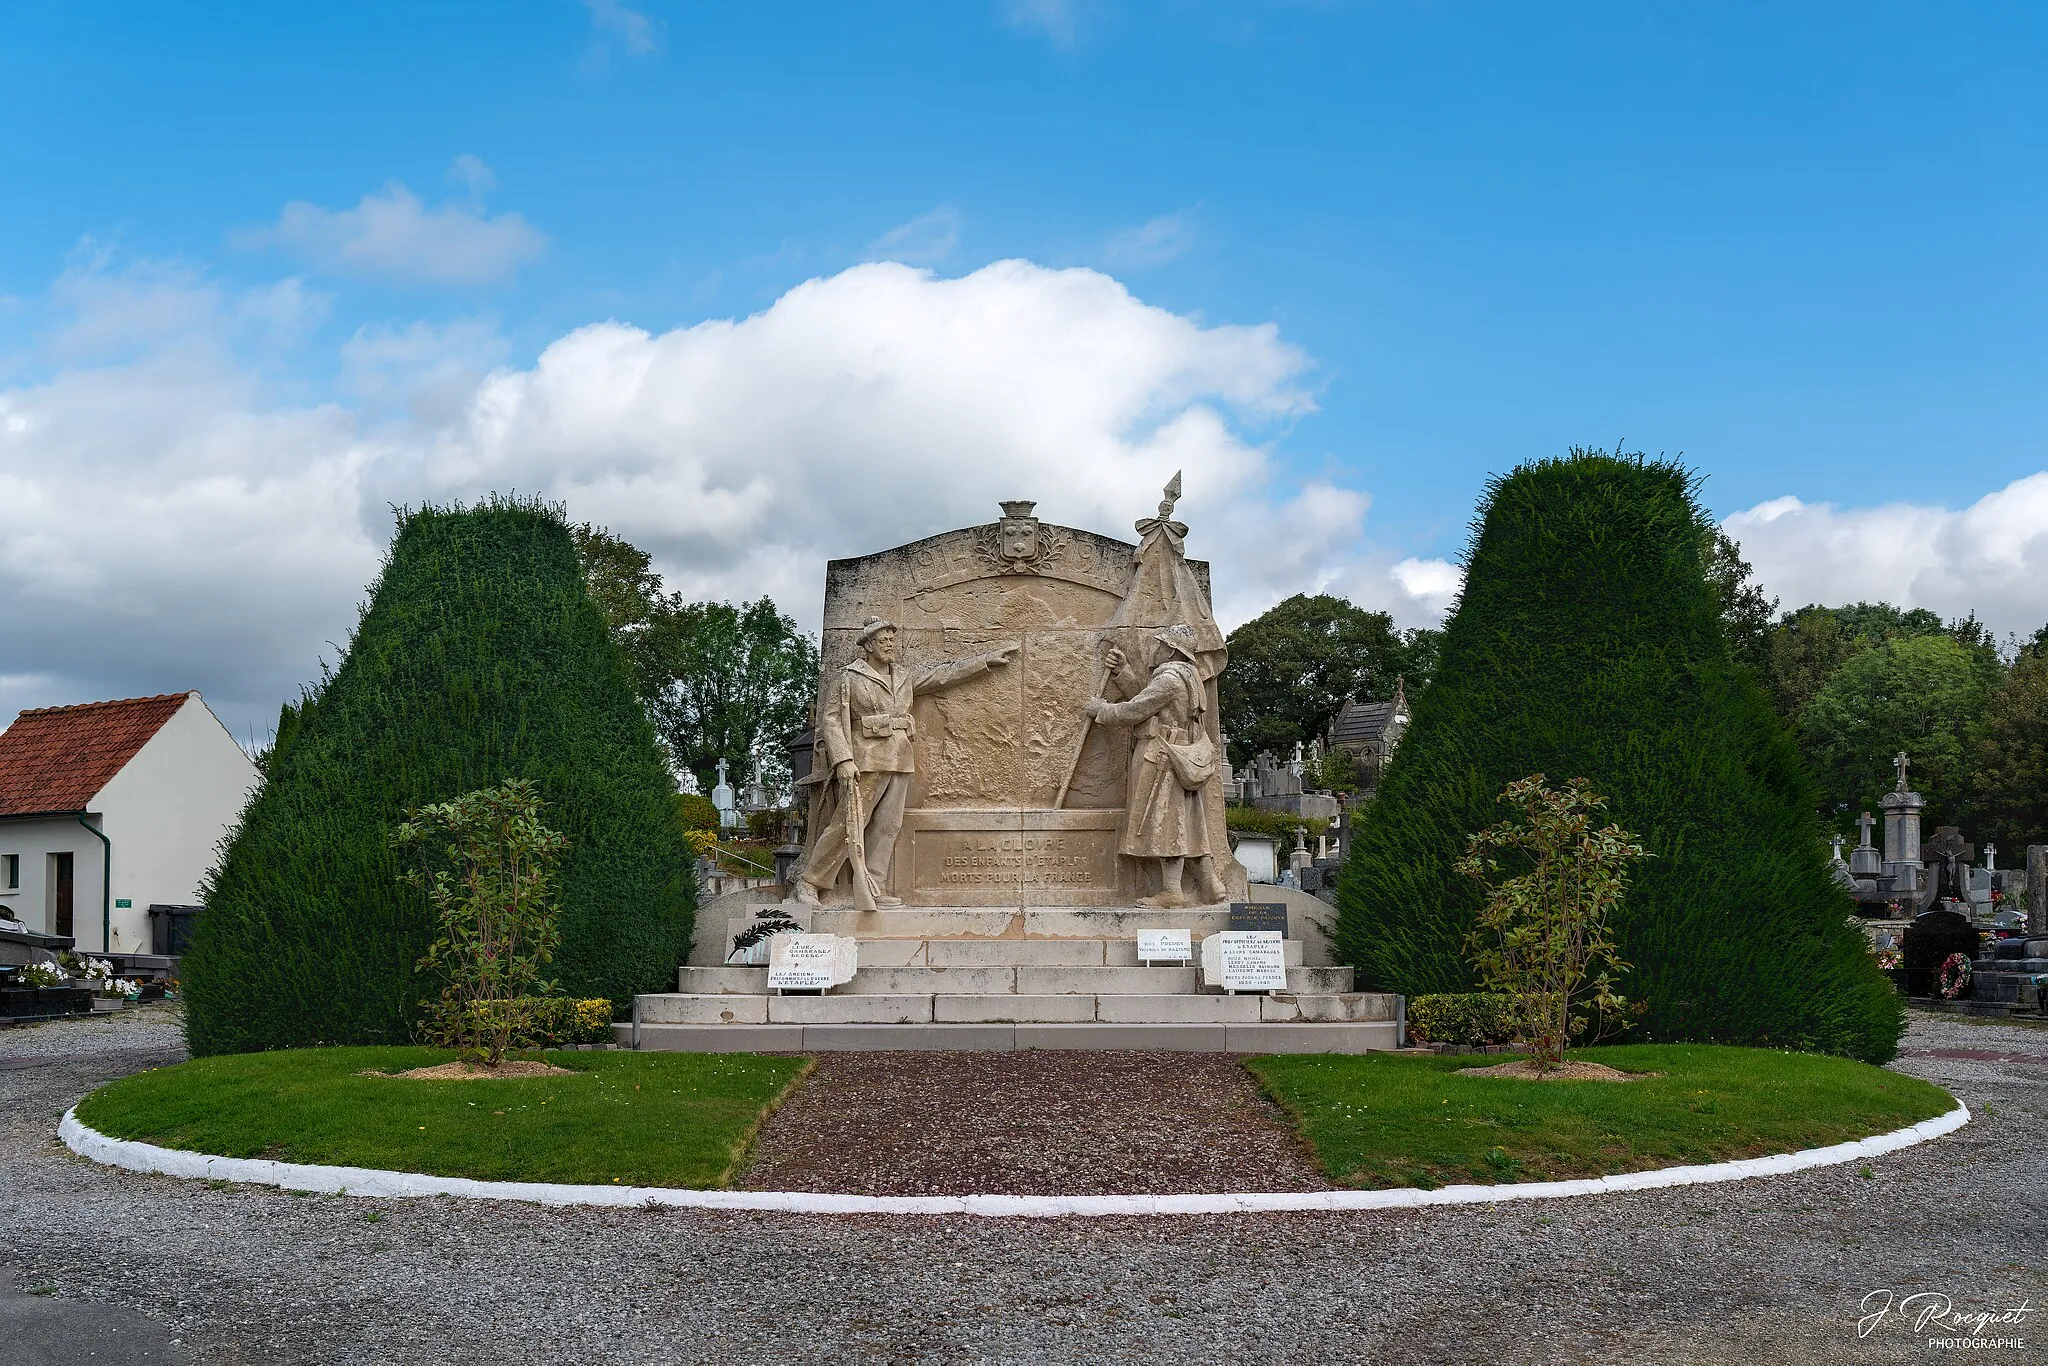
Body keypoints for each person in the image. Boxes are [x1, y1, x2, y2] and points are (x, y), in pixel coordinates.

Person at [794, 617, 1017, 907]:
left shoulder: (902, 675)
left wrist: (985, 661)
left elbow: (942, 675)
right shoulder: (849, 678)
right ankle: (811, 882)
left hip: (900, 757)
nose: (889, 644)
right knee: (849, 825)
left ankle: (875, 884)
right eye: (883, 640)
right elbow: (832, 720)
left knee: (888, 826)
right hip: (866, 760)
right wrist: (843, 760)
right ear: (869, 645)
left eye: (891, 640)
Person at [1084, 624, 1228, 908]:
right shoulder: (1191, 678)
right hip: (1183, 756)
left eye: (1161, 646)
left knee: (1166, 825)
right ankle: (1210, 883)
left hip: (1162, 758)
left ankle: (1172, 891)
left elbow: (1134, 710)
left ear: (1172, 650)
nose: (1156, 649)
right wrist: (1123, 672)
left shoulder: (1170, 679)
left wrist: (1101, 710)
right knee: (1190, 823)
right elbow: (1148, 700)